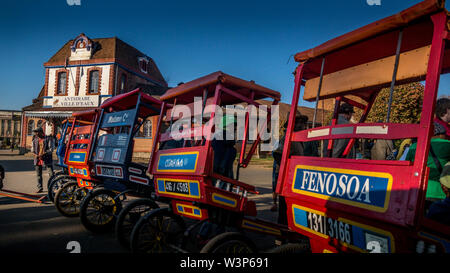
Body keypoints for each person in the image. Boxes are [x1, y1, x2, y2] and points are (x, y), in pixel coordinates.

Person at [32, 127, 54, 193]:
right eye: (35, 132)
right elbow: (32, 149)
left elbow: (51, 149)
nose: (36, 133)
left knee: (51, 174)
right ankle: (40, 187)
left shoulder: (48, 139)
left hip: (47, 159)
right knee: (38, 175)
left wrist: (44, 154)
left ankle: (52, 187)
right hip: (38, 159)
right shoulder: (34, 140)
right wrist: (35, 155)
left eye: (37, 132)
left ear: (41, 132)